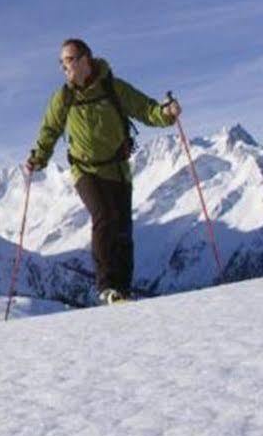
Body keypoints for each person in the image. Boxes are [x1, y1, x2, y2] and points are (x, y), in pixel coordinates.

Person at [26, 38, 181, 304]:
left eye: (69, 60)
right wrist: (38, 158)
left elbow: (145, 109)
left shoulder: (114, 88)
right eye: (61, 62)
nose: (64, 67)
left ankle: (123, 289)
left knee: (123, 228)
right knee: (104, 216)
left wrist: (166, 113)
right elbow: (49, 130)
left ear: (86, 60)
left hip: (118, 168)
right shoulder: (63, 98)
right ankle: (107, 287)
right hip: (84, 170)